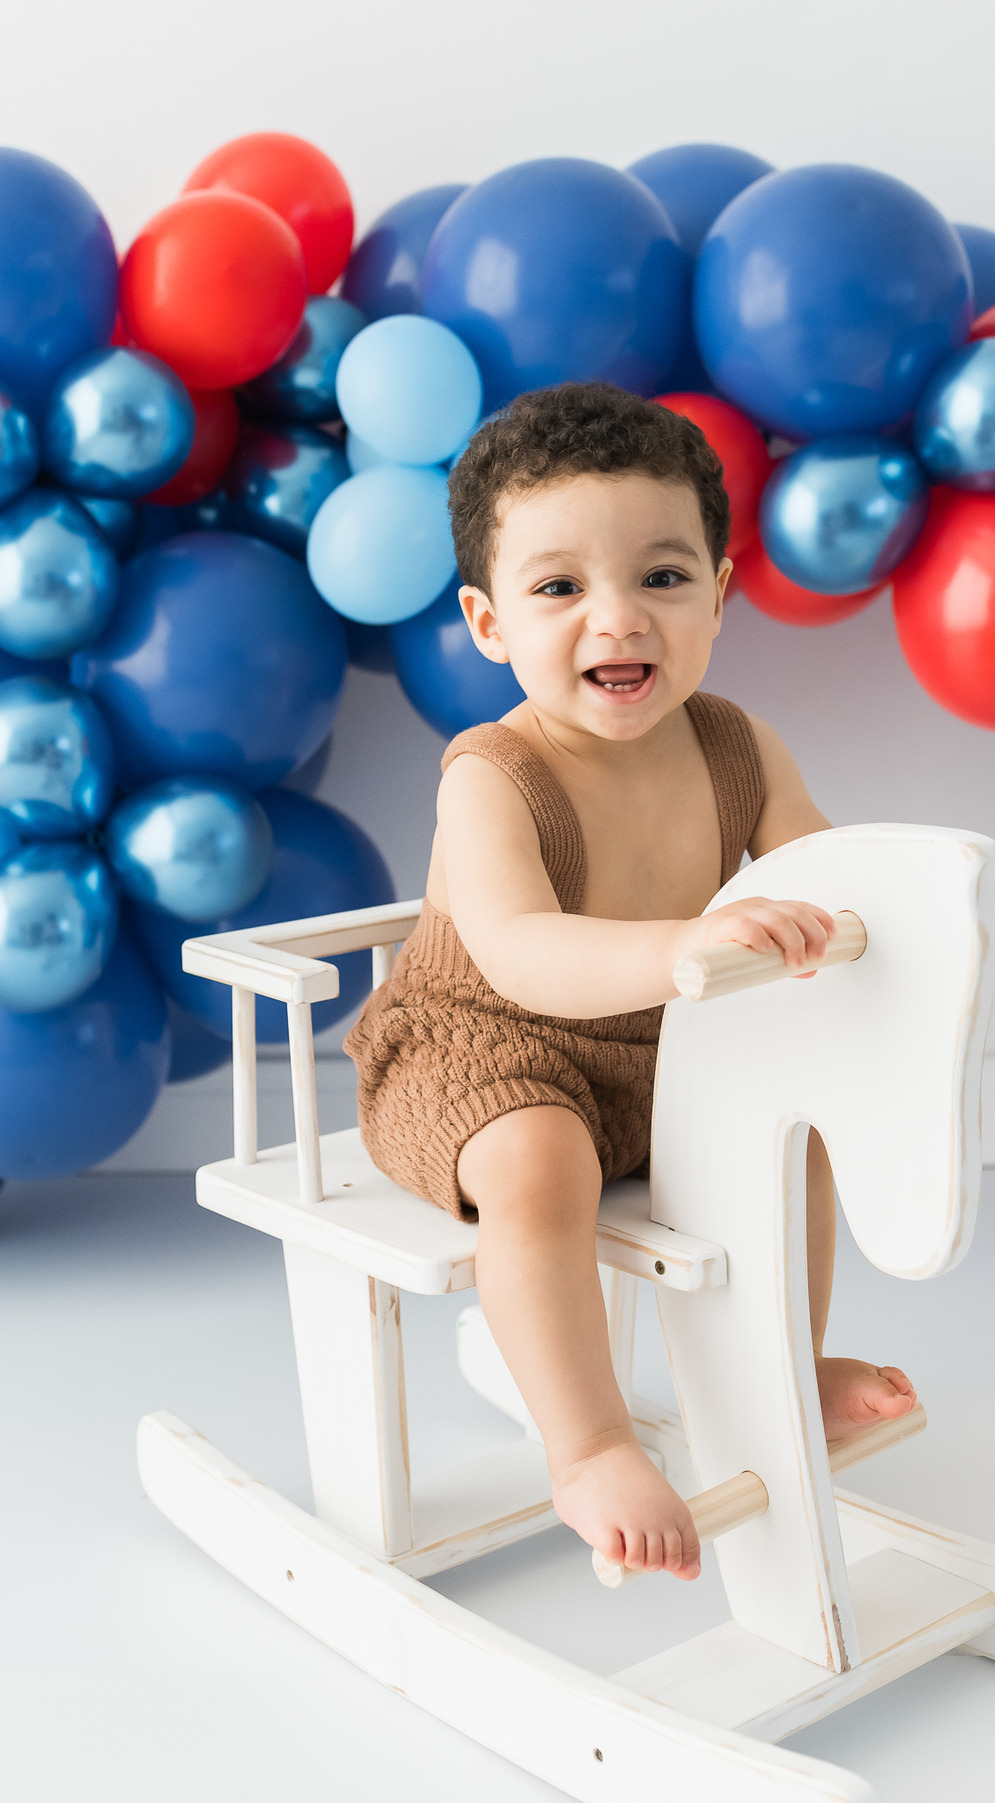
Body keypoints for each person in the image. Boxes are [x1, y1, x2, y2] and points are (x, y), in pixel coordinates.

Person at [345, 382, 915, 1583]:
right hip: (481, 1050)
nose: (618, 619)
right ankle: (592, 1443)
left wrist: (900, 901)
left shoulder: (740, 747)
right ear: (490, 623)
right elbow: (521, 950)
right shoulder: (492, 773)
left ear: (718, 594)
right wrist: (687, 943)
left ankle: (785, 1364)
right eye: (559, 588)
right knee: (536, 1158)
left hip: (666, 1047)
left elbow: (827, 869)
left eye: (660, 577)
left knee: (793, 1129)